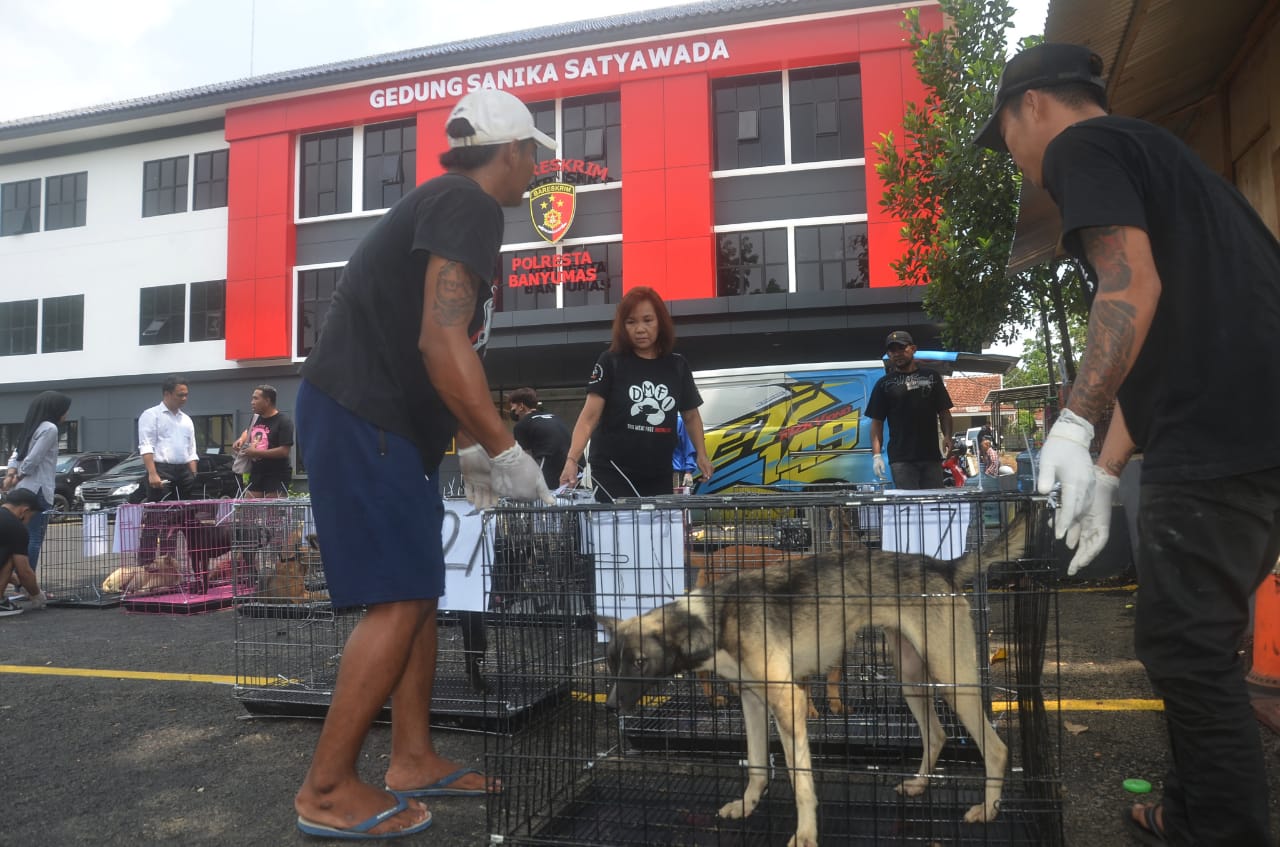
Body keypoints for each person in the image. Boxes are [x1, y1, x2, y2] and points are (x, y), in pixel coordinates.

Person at [976, 42, 1280, 847]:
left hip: (1222, 432)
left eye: (1005, 135)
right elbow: (1157, 336)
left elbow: (1129, 285)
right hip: (1252, 427)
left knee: (1185, 647)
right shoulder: (1165, 161)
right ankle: (1186, 813)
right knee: (1196, 643)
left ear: (1033, 105)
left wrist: (1073, 421)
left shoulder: (1086, 146)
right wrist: (1105, 470)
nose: (1015, 158)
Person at [292, 88, 554, 840]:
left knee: (423, 588)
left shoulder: (447, 203)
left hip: (383, 420)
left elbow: (435, 349)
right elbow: (442, 343)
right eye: (531, 152)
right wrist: (507, 454)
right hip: (359, 411)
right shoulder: (470, 203)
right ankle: (328, 784)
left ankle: (410, 756)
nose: (535, 166)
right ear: (509, 151)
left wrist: (468, 444)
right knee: (401, 594)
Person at [558, 287, 713, 502]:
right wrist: (572, 459)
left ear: (660, 322)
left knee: (656, 533)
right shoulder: (610, 361)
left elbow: (691, 416)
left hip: (658, 469)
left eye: (648, 320)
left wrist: (701, 455)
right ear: (622, 326)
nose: (640, 329)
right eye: (631, 322)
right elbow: (588, 418)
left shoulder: (677, 365)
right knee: (617, 531)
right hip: (613, 469)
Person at [866, 330, 954, 490]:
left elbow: (944, 412)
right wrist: (876, 455)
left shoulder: (932, 377)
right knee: (909, 507)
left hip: (931, 456)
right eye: (892, 350)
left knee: (935, 506)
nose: (897, 353)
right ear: (888, 353)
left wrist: (948, 436)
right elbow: (876, 422)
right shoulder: (884, 384)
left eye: (901, 348)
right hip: (901, 460)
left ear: (913, 348)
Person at [4, 390, 71, 574]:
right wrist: (19, 474)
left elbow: (17, 454)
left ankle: (17, 582)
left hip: (21, 491)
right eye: (65, 410)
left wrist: (11, 475)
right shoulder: (50, 428)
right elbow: (34, 459)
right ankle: (27, 583)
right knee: (33, 538)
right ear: (55, 409)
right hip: (39, 490)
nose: (66, 414)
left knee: (17, 539)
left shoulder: (31, 426)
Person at [136, 376, 199, 567]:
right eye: (180, 395)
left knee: (180, 520)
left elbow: (191, 450)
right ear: (167, 394)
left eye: (186, 395)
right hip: (161, 468)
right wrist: (152, 473)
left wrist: (193, 475)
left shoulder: (186, 420)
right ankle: (146, 565)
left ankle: (169, 564)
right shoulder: (151, 415)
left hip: (184, 471)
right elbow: (146, 446)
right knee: (155, 518)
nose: (184, 399)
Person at [232, 385, 295, 498]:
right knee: (250, 511)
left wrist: (256, 453)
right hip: (257, 472)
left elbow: (284, 451)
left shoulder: (283, 421)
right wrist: (241, 439)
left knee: (273, 512)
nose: (252, 402)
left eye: (256, 398)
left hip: (277, 474)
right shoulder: (256, 418)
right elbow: (248, 430)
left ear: (267, 401)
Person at [508, 387, 570, 490]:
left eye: (513, 408)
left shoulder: (522, 425)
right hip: (574, 464)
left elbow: (525, 458)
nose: (513, 412)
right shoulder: (554, 417)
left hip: (549, 463)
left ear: (521, 406)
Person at [672, 414, 698, 492]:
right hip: (654, 471)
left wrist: (688, 472)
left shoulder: (679, 421)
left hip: (675, 474)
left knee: (674, 502)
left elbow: (689, 446)